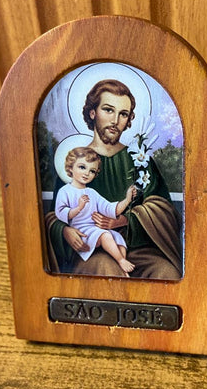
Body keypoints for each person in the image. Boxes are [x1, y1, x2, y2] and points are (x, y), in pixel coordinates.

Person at [45, 79, 182, 280]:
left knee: (166, 272)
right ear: (93, 112)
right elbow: (53, 215)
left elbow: (166, 212)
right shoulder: (78, 162)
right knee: (108, 271)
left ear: (129, 119)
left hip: (137, 249)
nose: (115, 120)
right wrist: (65, 231)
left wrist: (125, 220)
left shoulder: (140, 160)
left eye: (123, 114)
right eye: (108, 110)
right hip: (92, 248)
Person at [55, 147, 137, 275]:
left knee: (118, 238)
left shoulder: (92, 193)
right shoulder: (65, 191)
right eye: (82, 167)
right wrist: (79, 208)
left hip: (94, 229)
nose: (87, 173)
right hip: (80, 232)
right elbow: (60, 213)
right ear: (70, 167)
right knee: (105, 235)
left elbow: (110, 209)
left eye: (92, 171)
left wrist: (127, 200)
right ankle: (121, 261)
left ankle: (122, 268)